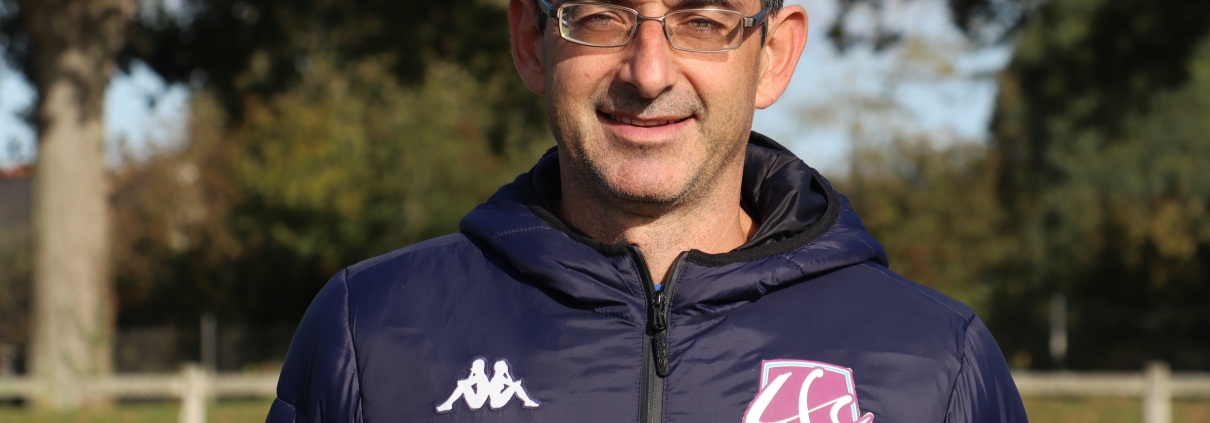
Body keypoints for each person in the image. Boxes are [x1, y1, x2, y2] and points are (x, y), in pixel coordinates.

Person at [266, 0, 1028, 421]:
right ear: (530, 41)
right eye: (601, 16)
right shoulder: (371, 334)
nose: (650, 71)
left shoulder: (936, 365)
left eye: (704, 20)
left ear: (774, 55)